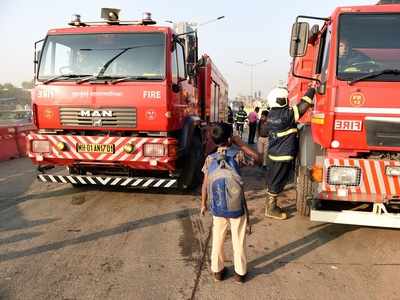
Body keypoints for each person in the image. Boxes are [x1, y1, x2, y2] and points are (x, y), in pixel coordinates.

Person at [200, 123, 260, 283]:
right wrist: (240, 143)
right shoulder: (237, 156)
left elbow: (205, 184)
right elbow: (258, 159)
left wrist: (203, 204)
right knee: (238, 239)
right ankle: (240, 273)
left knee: (218, 238)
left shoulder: (210, 158)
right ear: (229, 138)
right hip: (236, 206)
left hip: (218, 206)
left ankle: (217, 271)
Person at [264, 84, 316, 220]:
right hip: (282, 155)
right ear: (281, 101)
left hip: (274, 154)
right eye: (285, 99)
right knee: (277, 181)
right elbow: (304, 105)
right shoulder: (286, 115)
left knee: (274, 180)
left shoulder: (271, 115)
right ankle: (271, 209)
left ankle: (270, 206)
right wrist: (313, 89)